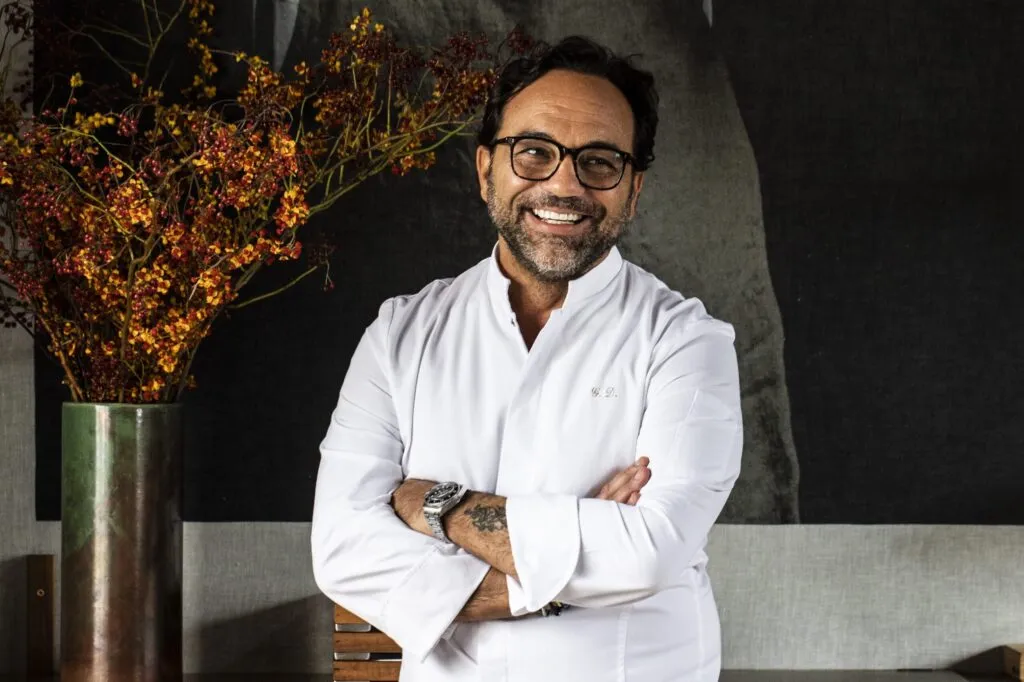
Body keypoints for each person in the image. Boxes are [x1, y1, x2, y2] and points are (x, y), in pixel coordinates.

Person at [311, 35, 743, 682]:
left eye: (599, 161)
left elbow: (649, 552)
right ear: (486, 168)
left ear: (633, 190)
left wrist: (439, 507)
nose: (564, 184)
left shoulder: (687, 341)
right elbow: (343, 550)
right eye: (534, 152)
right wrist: (563, 576)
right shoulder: (401, 333)